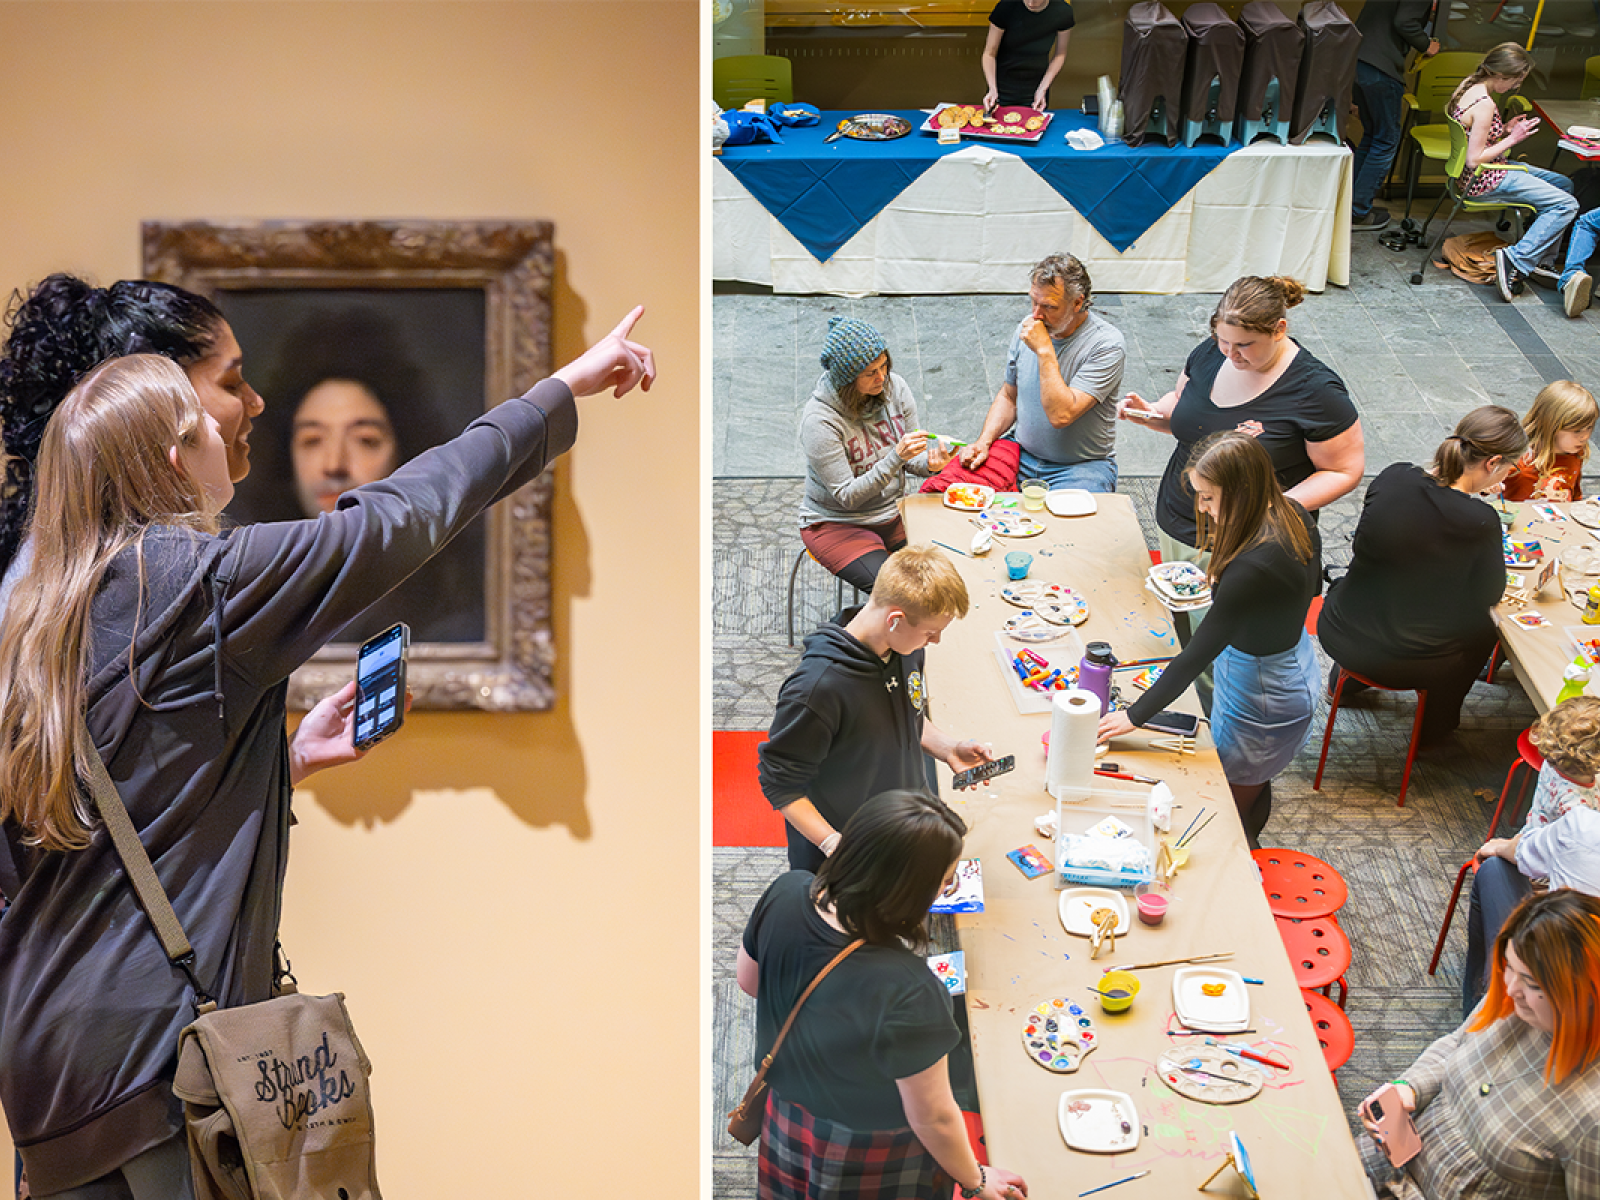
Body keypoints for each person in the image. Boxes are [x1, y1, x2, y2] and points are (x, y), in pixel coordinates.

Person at [0, 312, 652, 1199]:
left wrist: (278, 761)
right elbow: (401, 515)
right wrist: (560, 390)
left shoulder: (34, 616)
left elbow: (83, 817)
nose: (232, 430)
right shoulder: (204, 583)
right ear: (168, 460)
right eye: (205, 425)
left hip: (44, 1064)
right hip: (155, 1067)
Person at [0, 274, 370, 782]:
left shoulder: (83, 565)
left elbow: (140, 793)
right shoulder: (112, 578)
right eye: (231, 382)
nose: (254, 403)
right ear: (154, 397)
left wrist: (291, 763)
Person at [737, 790, 1029, 1200]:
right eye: (946, 881)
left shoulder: (786, 891)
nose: (949, 888)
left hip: (788, 1116)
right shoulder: (911, 990)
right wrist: (977, 1181)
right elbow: (935, 1119)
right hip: (868, 1148)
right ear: (911, 892)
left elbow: (749, 982)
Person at [1096, 432, 1320, 845]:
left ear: (1242, 491)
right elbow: (1311, 588)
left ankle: (1243, 855)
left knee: (1233, 791)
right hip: (1289, 662)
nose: (1202, 507)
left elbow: (1194, 656)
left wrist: (1134, 716)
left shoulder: (1252, 566)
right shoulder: (1293, 512)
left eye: (1209, 497)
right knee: (1251, 772)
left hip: (1264, 692)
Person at [759, 544, 995, 873]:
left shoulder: (904, 646)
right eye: (931, 632)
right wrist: (834, 844)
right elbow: (779, 785)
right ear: (895, 619)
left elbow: (904, 711)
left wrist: (948, 747)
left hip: (899, 828)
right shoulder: (816, 690)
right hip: (846, 850)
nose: (935, 641)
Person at [1358, 889, 1600, 1198]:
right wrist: (1410, 1087)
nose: (1510, 989)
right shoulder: (1516, 1003)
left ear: (1587, 992)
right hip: (1390, 1163)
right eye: (1508, 966)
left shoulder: (1593, 1117)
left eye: (1533, 983)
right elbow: (1458, 1042)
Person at [1118, 275, 1362, 571]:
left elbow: (1343, 470)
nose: (1231, 354)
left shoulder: (1316, 390)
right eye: (1223, 341)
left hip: (1254, 544)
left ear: (1278, 330)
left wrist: (1268, 509)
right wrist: (1153, 413)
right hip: (1178, 520)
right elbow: (1184, 404)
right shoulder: (1210, 353)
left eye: (1244, 345)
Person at [1316, 406, 1527, 746]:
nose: (1504, 479)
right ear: (1492, 463)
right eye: (1507, 469)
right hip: (1408, 663)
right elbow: (1489, 594)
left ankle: (1343, 682)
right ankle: (1436, 727)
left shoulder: (1393, 476)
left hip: (1339, 630)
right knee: (1484, 630)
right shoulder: (1480, 521)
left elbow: (1367, 542)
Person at [799, 317, 951, 593]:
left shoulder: (895, 388)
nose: (882, 378)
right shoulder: (819, 421)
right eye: (870, 373)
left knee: (949, 570)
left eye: (884, 367)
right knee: (900, 592)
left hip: (892, 513)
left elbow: (910, 459)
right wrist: (895, 457)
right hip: (838, 524)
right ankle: (858, 631)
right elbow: (847, 496)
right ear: (847, 379)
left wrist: (930, 463)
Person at [959, 254, 1125, 493]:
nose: (1036, 315)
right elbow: (1008, 396)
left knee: (1074, 527)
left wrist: (1045, 351)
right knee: (958, 492)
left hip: (1081, 467)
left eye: (1049, 307)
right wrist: (984, 441)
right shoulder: (1027, 327)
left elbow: (1061, 416)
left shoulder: (1107, 345)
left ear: (1078, 303)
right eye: (1033, 302)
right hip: (1020, 453)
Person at [1447, 43, 1580, 304]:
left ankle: (1542, 259)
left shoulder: (1469, 86)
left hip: (1479, 173)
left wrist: (1504, 129)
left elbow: (1476, 136)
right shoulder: (1484, 104)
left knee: (1564, 185)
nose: (1515, 87)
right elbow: (1474, 160)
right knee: (1567, 205)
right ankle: (1515, 259)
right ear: (1502, 76)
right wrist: (1513, 139)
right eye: (1516, 81)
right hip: (1485, 179)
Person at [1464, 807, 1600, 1016]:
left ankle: (1483, 1008)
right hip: (1565, 980)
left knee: (1494, 870)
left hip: (1561, 984)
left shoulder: (1583, 827)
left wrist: (1501, 846)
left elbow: (1521, 851)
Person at [1351, 1, 1440, 232]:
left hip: (1358, 62)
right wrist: (1426, 44)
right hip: (1381, 69)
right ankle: (1358, 212)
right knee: (1385, 141)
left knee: (1372, 137)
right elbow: (1405, 21)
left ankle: (1348, 206)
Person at [1502, 380, 1598, 502]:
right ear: (1551, 427)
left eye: (1589, 428)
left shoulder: (1576, 453)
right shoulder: (1519, 458)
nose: (1585, 436)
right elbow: (1483, 480)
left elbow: (1574, 491)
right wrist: (1489, 485)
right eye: (1577, 431)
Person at [981, 0, 1073, 112]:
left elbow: (1060, 54)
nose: (1031, 3)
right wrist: (992, 88)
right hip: (1001, 85)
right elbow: (989, 54)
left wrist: (1043, 89)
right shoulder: (1006, 6)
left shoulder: (1062, 11)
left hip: (1037, 85)